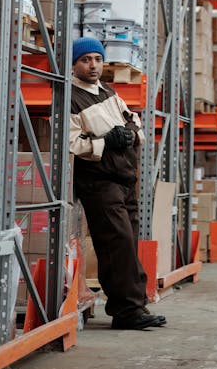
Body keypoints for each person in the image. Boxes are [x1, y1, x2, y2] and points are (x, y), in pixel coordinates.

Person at [70, 37, 167, 331]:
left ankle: (132, 305)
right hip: (99, 180)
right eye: (86, 60)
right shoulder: (71, 97)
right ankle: (127, 310)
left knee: (127, 242)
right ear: (74, 64)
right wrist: (104, 142)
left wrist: (129, 133)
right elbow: (72, 143)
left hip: (125, 177)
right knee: (118, 241)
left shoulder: (108, 92)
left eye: (98, 59)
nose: (94, 65)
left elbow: (133, 119)